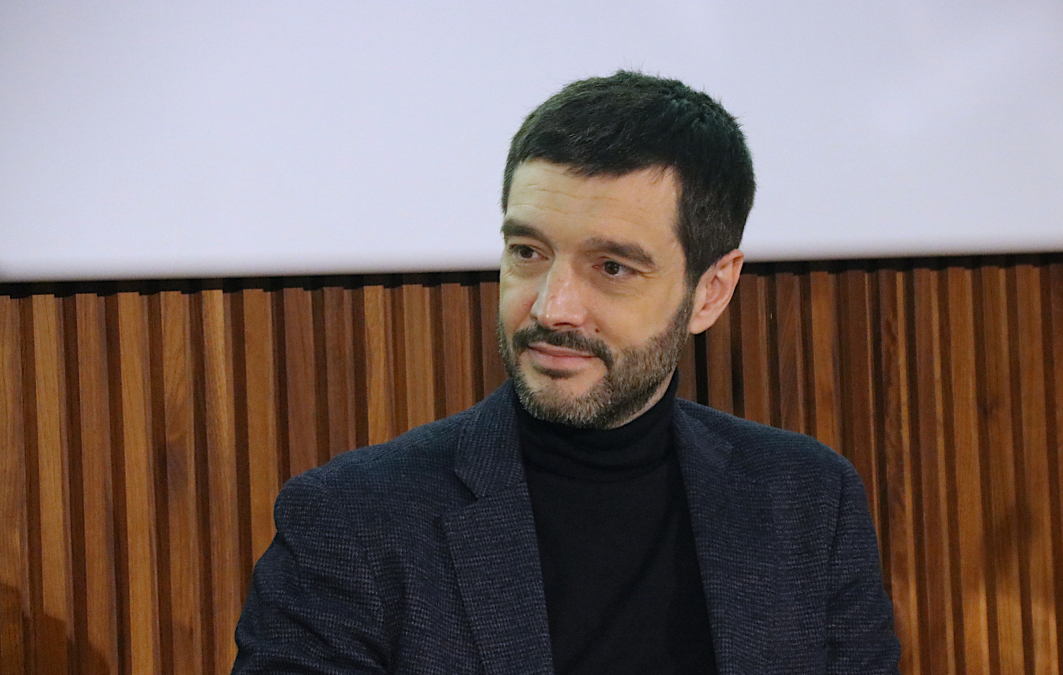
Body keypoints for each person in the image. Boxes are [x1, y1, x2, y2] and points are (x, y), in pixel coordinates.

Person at [233, 71, 900, 674]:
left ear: (711, 290)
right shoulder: (351, 521)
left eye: (611, 267)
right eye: (528, 251)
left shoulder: (808, 502)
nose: (553, 307)